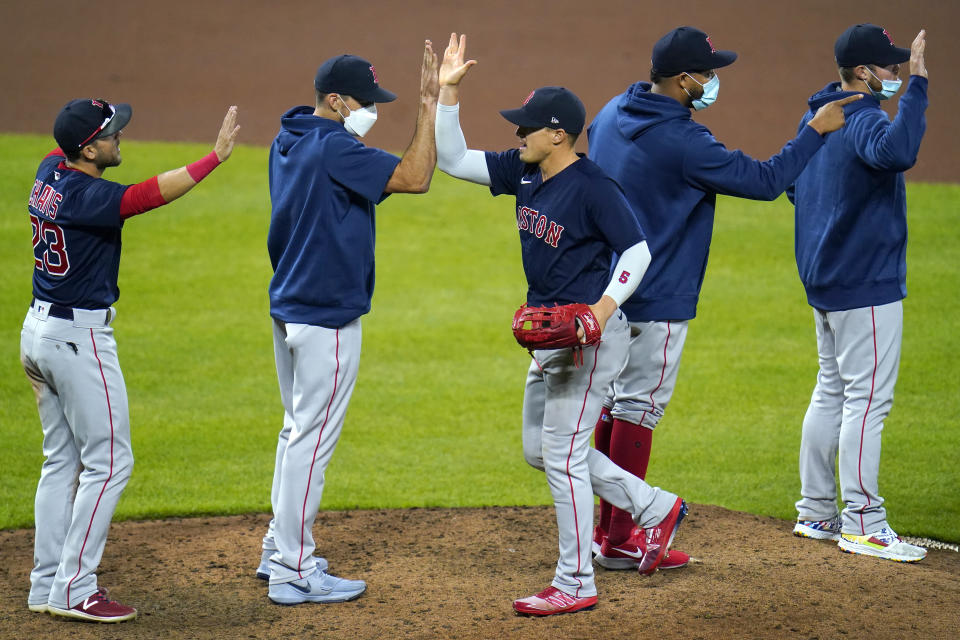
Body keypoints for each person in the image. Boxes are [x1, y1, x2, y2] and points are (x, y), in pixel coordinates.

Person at [586, 26, 859, 571]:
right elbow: (763, 181)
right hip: (659, 294)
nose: (712, 82)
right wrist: (814, 131)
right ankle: (621, 538)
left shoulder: (616, 110)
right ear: (683, 78)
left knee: (614, 403)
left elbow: (595, 141)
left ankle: (606, 533)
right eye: (707, 74)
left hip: (609, 288)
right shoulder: (686, 142)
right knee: (639, 408)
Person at [435, 33, 686, 616]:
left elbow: (637, 252)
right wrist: (448, 96)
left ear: (557, 135)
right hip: (549, 338)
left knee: (564, 456)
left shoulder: (595, 187)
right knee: (539, 450)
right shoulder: (523, 173)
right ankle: (655, 508)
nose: (518, 135)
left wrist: (601, 310)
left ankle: (575, 581)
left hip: (587, 342)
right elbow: (451, 159)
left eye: (528, 127)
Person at [21, 100, 240, 622]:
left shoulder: (49, 171)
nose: (121, 138)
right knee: (111, 463)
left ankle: (46, 582)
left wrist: (84, 119)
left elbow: (63, 139)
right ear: (89, 150)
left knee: (61, 461)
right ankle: (75, 588)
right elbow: (147, 195)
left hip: (37, 333)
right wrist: (213, 158)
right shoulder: (88, 194)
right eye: (111, 133)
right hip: (78, 339)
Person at [259, 43, 440, 605]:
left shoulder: (289, 136)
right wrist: (431, 105)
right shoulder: (337, 148)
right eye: (365, 102)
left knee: (296, 433)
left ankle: (277, 549)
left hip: (289, 303)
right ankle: (293, 569)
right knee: (312, 440)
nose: (373, 111)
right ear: (335, 101)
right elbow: (415, 177)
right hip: (326, 313)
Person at [788, 24, 929, 562]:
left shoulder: (818, 116)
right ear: (863, 72)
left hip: (824, 280)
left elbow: (793, 185)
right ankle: (864, 521)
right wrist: (918, 85)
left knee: (832, 391)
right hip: (864, 281)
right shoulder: (865, 116)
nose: (894, 73)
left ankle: (817, 511)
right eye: (889, 67)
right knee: (867, 402)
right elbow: (900, 152)